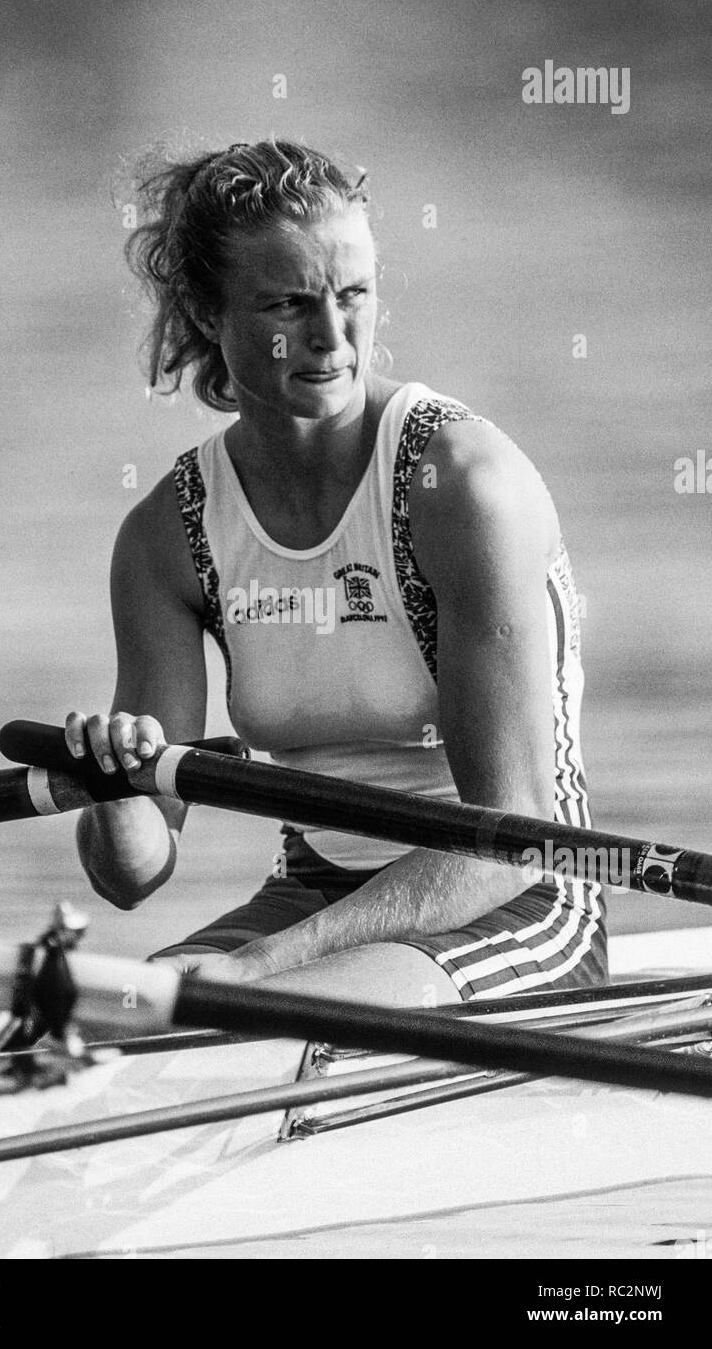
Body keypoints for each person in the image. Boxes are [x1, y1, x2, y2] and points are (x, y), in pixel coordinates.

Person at [67, 137, 606, 1007]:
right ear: (209, 313)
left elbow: (514, 836)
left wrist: (261, 967)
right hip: (314, 895)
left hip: (517, 895)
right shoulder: (167, 535)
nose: (331, 337)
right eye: (287, 304)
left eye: (353, 295)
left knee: (259, 1018)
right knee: (98, 1022)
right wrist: (113, 788)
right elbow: (130, 878)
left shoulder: (463, 484)